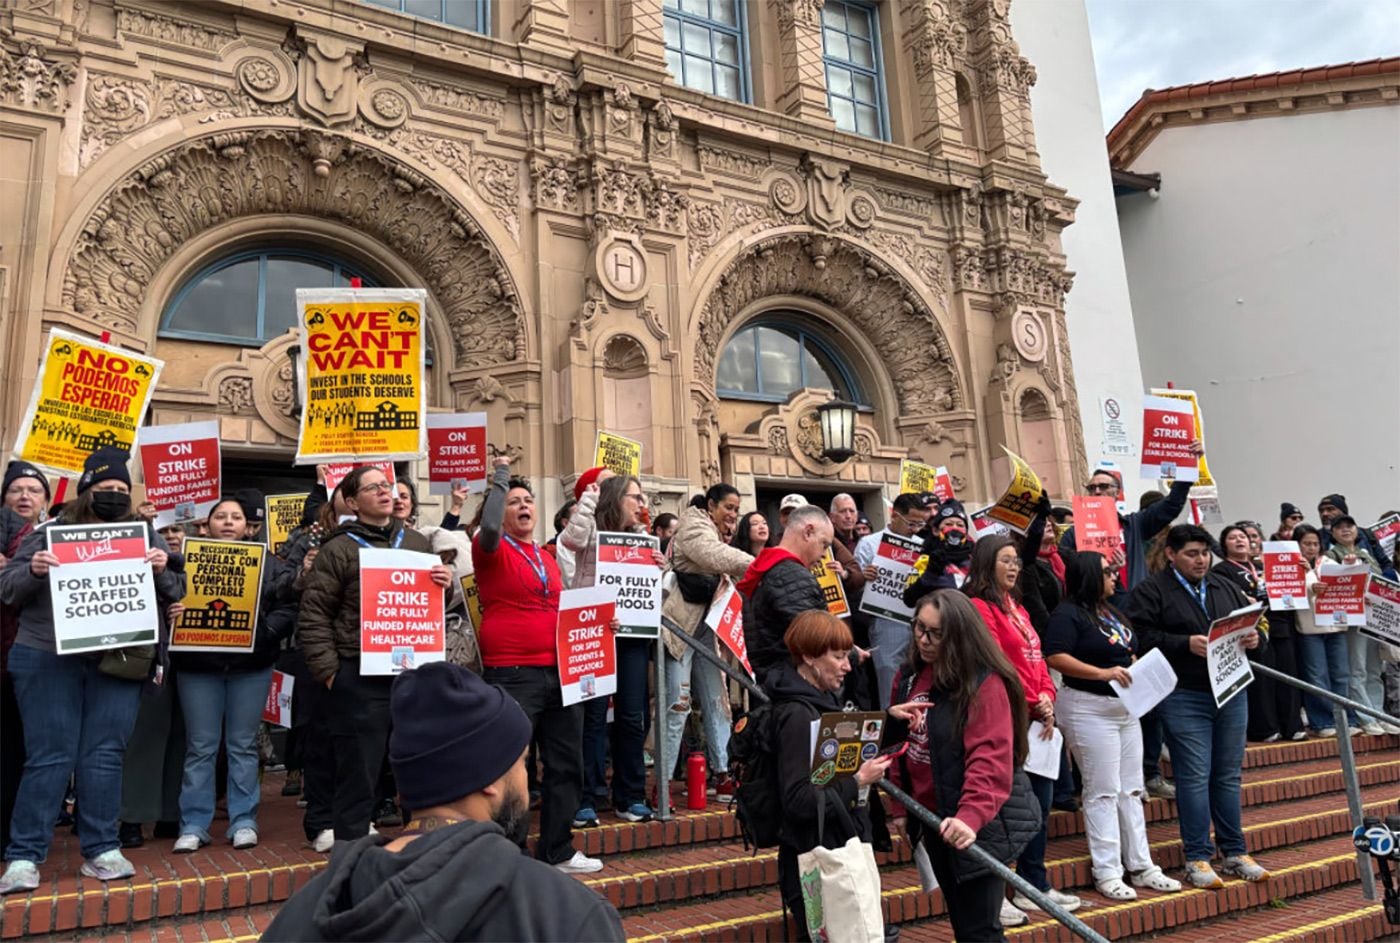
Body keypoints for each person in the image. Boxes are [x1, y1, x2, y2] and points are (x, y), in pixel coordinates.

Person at [262, 662, 625, 941]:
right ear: (489, 779)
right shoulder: (567, 915)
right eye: (522, 762)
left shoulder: (302, 913)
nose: (528, 780)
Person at [0, 448, 185, 893]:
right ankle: (24, 856)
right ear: (86, 492)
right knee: (50, 754)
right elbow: (8, 589)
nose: (115, 497)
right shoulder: (49, 532)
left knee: (104, 754)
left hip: (117, 660)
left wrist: (162, 571)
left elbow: (177, 589)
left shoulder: (145, 534)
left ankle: (102, 848)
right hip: (47, 657)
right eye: (106, 490)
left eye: (123, 490)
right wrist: (36, 571)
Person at [298, 466, 449, 844]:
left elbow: (428, 605)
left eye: (389, 487)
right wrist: (332, 673)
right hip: (359, 675)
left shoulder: (415, 543)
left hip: (412, 675)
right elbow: (314, 615)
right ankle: (351, 860)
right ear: (352, 502)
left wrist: (443, 586)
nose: (387, 493)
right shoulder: (338, 548)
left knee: (417, 765)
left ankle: (419, 847)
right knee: (358, 772)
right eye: (374, 488)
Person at [472, 456, 602, 873]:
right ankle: (510, 853)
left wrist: (601, 622)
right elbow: (489, 527)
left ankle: (558, 849)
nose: (524, 505)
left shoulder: (546, 556)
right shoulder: (489, 549)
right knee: (513, 766)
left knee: (566, 763)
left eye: (529, 500)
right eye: (514, 501)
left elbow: (566, 604)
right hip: (513, 672)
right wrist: (500, 478)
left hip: (560, 671)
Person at [888, 591, 1040, 943]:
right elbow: (903, 747)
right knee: (963, 923)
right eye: (919, 629)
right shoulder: (911, 675)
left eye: (936, 633)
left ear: (958, 634)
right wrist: (900, 804)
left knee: (979, 930)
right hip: (935, 817)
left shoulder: (983, 683)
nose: (924, 641)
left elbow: (989, 759)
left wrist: (970, 816)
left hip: (979, 822)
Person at [1124, 524, 1270, 889]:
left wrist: (1257, 638)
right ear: (1171, 554)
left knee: (1228, 774)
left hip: (1231, 690)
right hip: (1184, 693)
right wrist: (1182, 643)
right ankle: (1197, 857)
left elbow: (1257, 622)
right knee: (1193, 775)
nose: (1201, 560)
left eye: (1205, 553)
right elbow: (1138, 636)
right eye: (1192, 553)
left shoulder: (1224, 585)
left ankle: (1235, 851)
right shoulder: (1152, 590)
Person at [1044, 552, 1182, 901]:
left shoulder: (1109, 611)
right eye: (1107, 572)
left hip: (1124, 708)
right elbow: (1056, 655)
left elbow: (1125, 648)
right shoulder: (1067, 614)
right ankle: (1107, 870)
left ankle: (1141, 864)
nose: (1114, 577)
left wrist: (1135, 664)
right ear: (1089, 576)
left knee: (1131, 788)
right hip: (1087, 708)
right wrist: (1102, 673)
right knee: (1102, 789)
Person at [767, 611, 905, 942]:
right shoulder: (797, 715)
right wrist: (857, 782)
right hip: (817, 855)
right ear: (810, 657)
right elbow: (799, 800)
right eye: (839, 656)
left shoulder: (821, 701)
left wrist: (892, 721)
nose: (847, 665)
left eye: (847, 656)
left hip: (834, 846)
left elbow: (845, 749)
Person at [963, 534, 1081, 922]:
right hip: (1006, 717)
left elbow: (1037, 659)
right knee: (1003, 810)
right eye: (1005, 560)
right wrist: (1034, 701)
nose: (1014, 567)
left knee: (1039, 806)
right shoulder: (979, 608)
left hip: (1036, 719)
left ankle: (1034, 884)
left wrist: (1047, 696)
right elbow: (999, 662)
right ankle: (995, 891)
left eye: (1016, 561)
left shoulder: (1019, 608)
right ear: (985, 563)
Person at [171, 496, 296, 852]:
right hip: (198, 668)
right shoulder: (185, 562)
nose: (228, 522)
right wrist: (172, 609)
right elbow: (166, 596)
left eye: (235, 517)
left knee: (242, 745)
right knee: (201, 747)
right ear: (206, 524)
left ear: (248, 526)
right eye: (220, 516)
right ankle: (194, 823)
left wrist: (266, 633)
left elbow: (287, 605)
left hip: (250, 668)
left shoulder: (269, 564)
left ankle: (244, 820)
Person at [563, 474, 664, 826]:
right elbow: (570, 540)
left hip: (632, 637)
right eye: (635, 497)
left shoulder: (643, 541)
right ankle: (587, 796)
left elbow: (651, 598)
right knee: (592, 718)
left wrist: (659, 575)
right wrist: (588, 502)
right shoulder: (590, 531)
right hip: (593, 632)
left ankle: (630, 796)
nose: (642, 504)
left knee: (631, 717)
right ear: (615, 498)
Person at [659, 483, 753, 798]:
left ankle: (723, 773)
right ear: (710, 505)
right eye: (728, 507)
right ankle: (662, 783)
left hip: (706, 633)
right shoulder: (693, 524)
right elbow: (712, 555)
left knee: (717, 704)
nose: (733, 515)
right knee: (677, 705)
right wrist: (759, 565)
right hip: (679, 630)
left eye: (737, 511)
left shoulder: (718, 531)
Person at [1, 462, 49, 854]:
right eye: (16, 490)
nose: (24, 497)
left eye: (33, 491)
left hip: (34, 660)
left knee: (24, 751)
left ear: (45, 502)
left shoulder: (52, 541)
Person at [738, 506, 834, 680]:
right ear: (808, 532)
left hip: (773, 678)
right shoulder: (791, 575)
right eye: (824, 544)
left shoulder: (767, 568)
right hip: (794, 682)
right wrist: (848, 655)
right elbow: (816, 636)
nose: (824, 554)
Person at [854, 493, 931, 708]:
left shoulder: (924, 545)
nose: (915, 529)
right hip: (886, 622)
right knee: (889, 677)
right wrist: (864, 578)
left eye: (920, 524)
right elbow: (855, 589)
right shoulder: (869, 544)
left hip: (919, 619)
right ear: (895, 515)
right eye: (911, 523)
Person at [1325, 514, 1395, 734]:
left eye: (1350, 526)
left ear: (1357, 530)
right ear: (1333, 533)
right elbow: (1334, 586)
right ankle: (1365, 716)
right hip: (1353, 619)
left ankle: (1379, 713)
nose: (1346, 530)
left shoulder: (1366, 553)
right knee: (1358, 668)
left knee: (1374, 669)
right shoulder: (1330, 555)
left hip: (1375, 619)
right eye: (1340, 527)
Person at [1286, 524, 1357, 737]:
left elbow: (1345, 583)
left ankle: (1346, 718)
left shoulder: (1328, 562)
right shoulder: (1293, 565)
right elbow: (1294, 592)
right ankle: (1322, 721)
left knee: (1341, 675)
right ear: (1297, 545)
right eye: (1306, 543)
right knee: (1317, 677)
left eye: (1315, 543)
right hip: (1310, 629)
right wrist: (1309, 581)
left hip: (1336, 626)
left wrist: (1349, 567)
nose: (1311, 548)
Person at [1317, 494, 1396, 579]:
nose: (1324, 514)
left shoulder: (1366, 536)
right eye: (1321, 511)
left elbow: (1385, 563)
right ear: (1333, 534)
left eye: (1330, 509)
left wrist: (1384, 581)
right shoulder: (1316, 538)